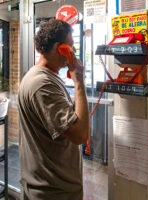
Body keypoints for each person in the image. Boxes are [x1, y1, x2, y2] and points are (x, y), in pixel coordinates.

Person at [18, 19, 89, 200]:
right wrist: (79, 82)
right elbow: (80, 135)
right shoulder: (42, 84)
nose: (73, 52)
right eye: (70, 47)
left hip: (55, 186)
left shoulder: (49, 77)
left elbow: (67, 119)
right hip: (52, 191)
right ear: (59, 47)